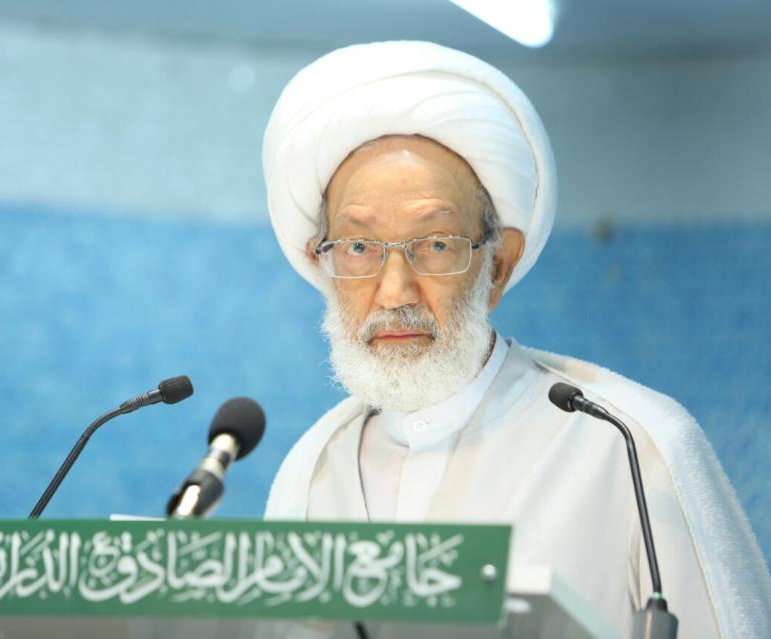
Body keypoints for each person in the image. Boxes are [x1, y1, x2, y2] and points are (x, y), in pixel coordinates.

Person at [261, 41, 771, 638]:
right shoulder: (313, 468)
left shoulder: (630, 445)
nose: (395, 291)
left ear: (497, 265)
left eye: (436, 244)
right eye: (358, 247)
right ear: (323, 265)